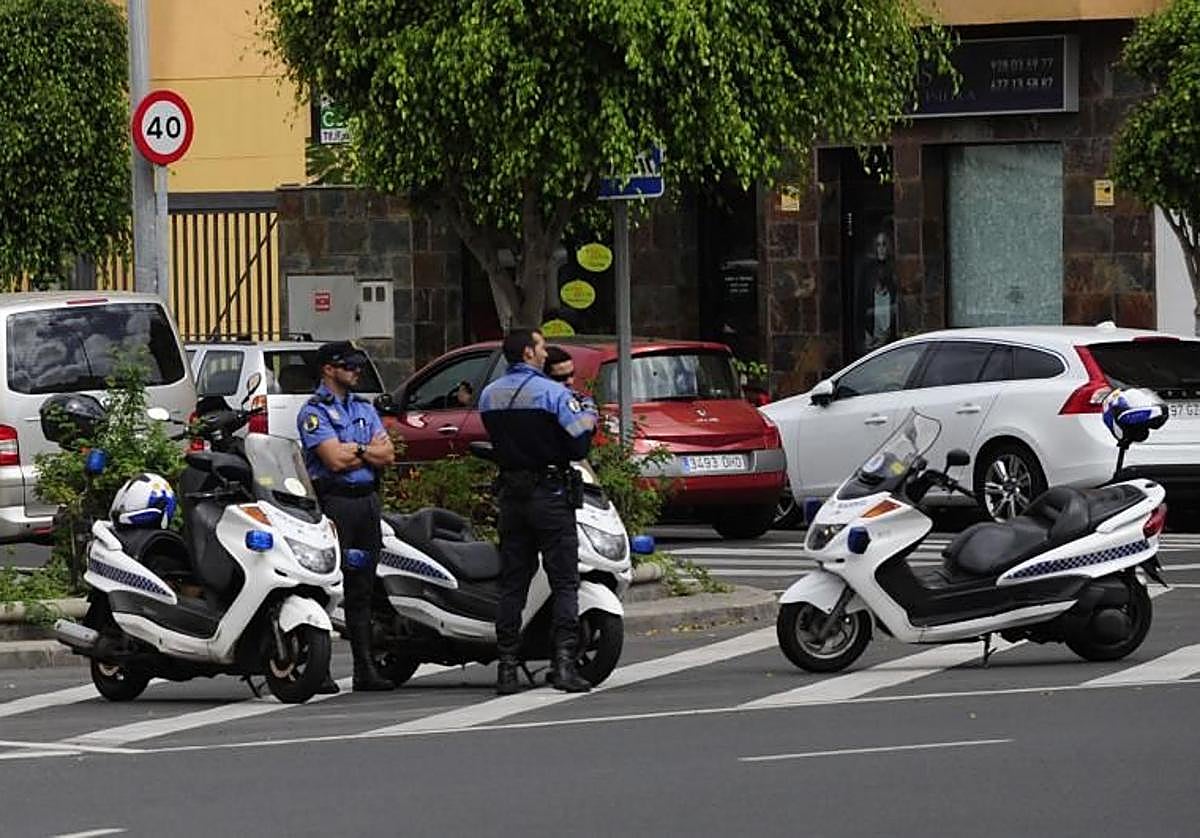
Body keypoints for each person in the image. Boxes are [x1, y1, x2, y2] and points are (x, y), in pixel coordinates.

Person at [480, 329, 598, 695]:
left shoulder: (489, 395)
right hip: (550, 493)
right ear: (529, 352)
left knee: (513, 582)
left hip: (512, 496)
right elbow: (579, 439)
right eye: (542, 346)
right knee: (564, 580)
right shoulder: (553, 393)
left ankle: (507, 668)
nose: (546, 352)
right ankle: (563, 664)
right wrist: (589, 413)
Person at [297, 341, 396, 693]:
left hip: (366, 502)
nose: (356, 370)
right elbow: (333, 461)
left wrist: (356, 449)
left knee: (363, 588)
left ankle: (364, 669)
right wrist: (366, 451)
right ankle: (318, 669)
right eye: (349, 365)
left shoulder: (363, 407)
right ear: (328, 368)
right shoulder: (313, 412)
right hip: (334, 504)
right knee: (326, 587)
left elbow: (388, 455)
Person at [856, 228, 897, 353]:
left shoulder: (894, 269)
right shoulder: (868, 271)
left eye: (884, 244)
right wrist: (864, 333)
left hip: (891, 334)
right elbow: (861, 303)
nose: (881, 249)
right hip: (872, 332)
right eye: (878, 245)